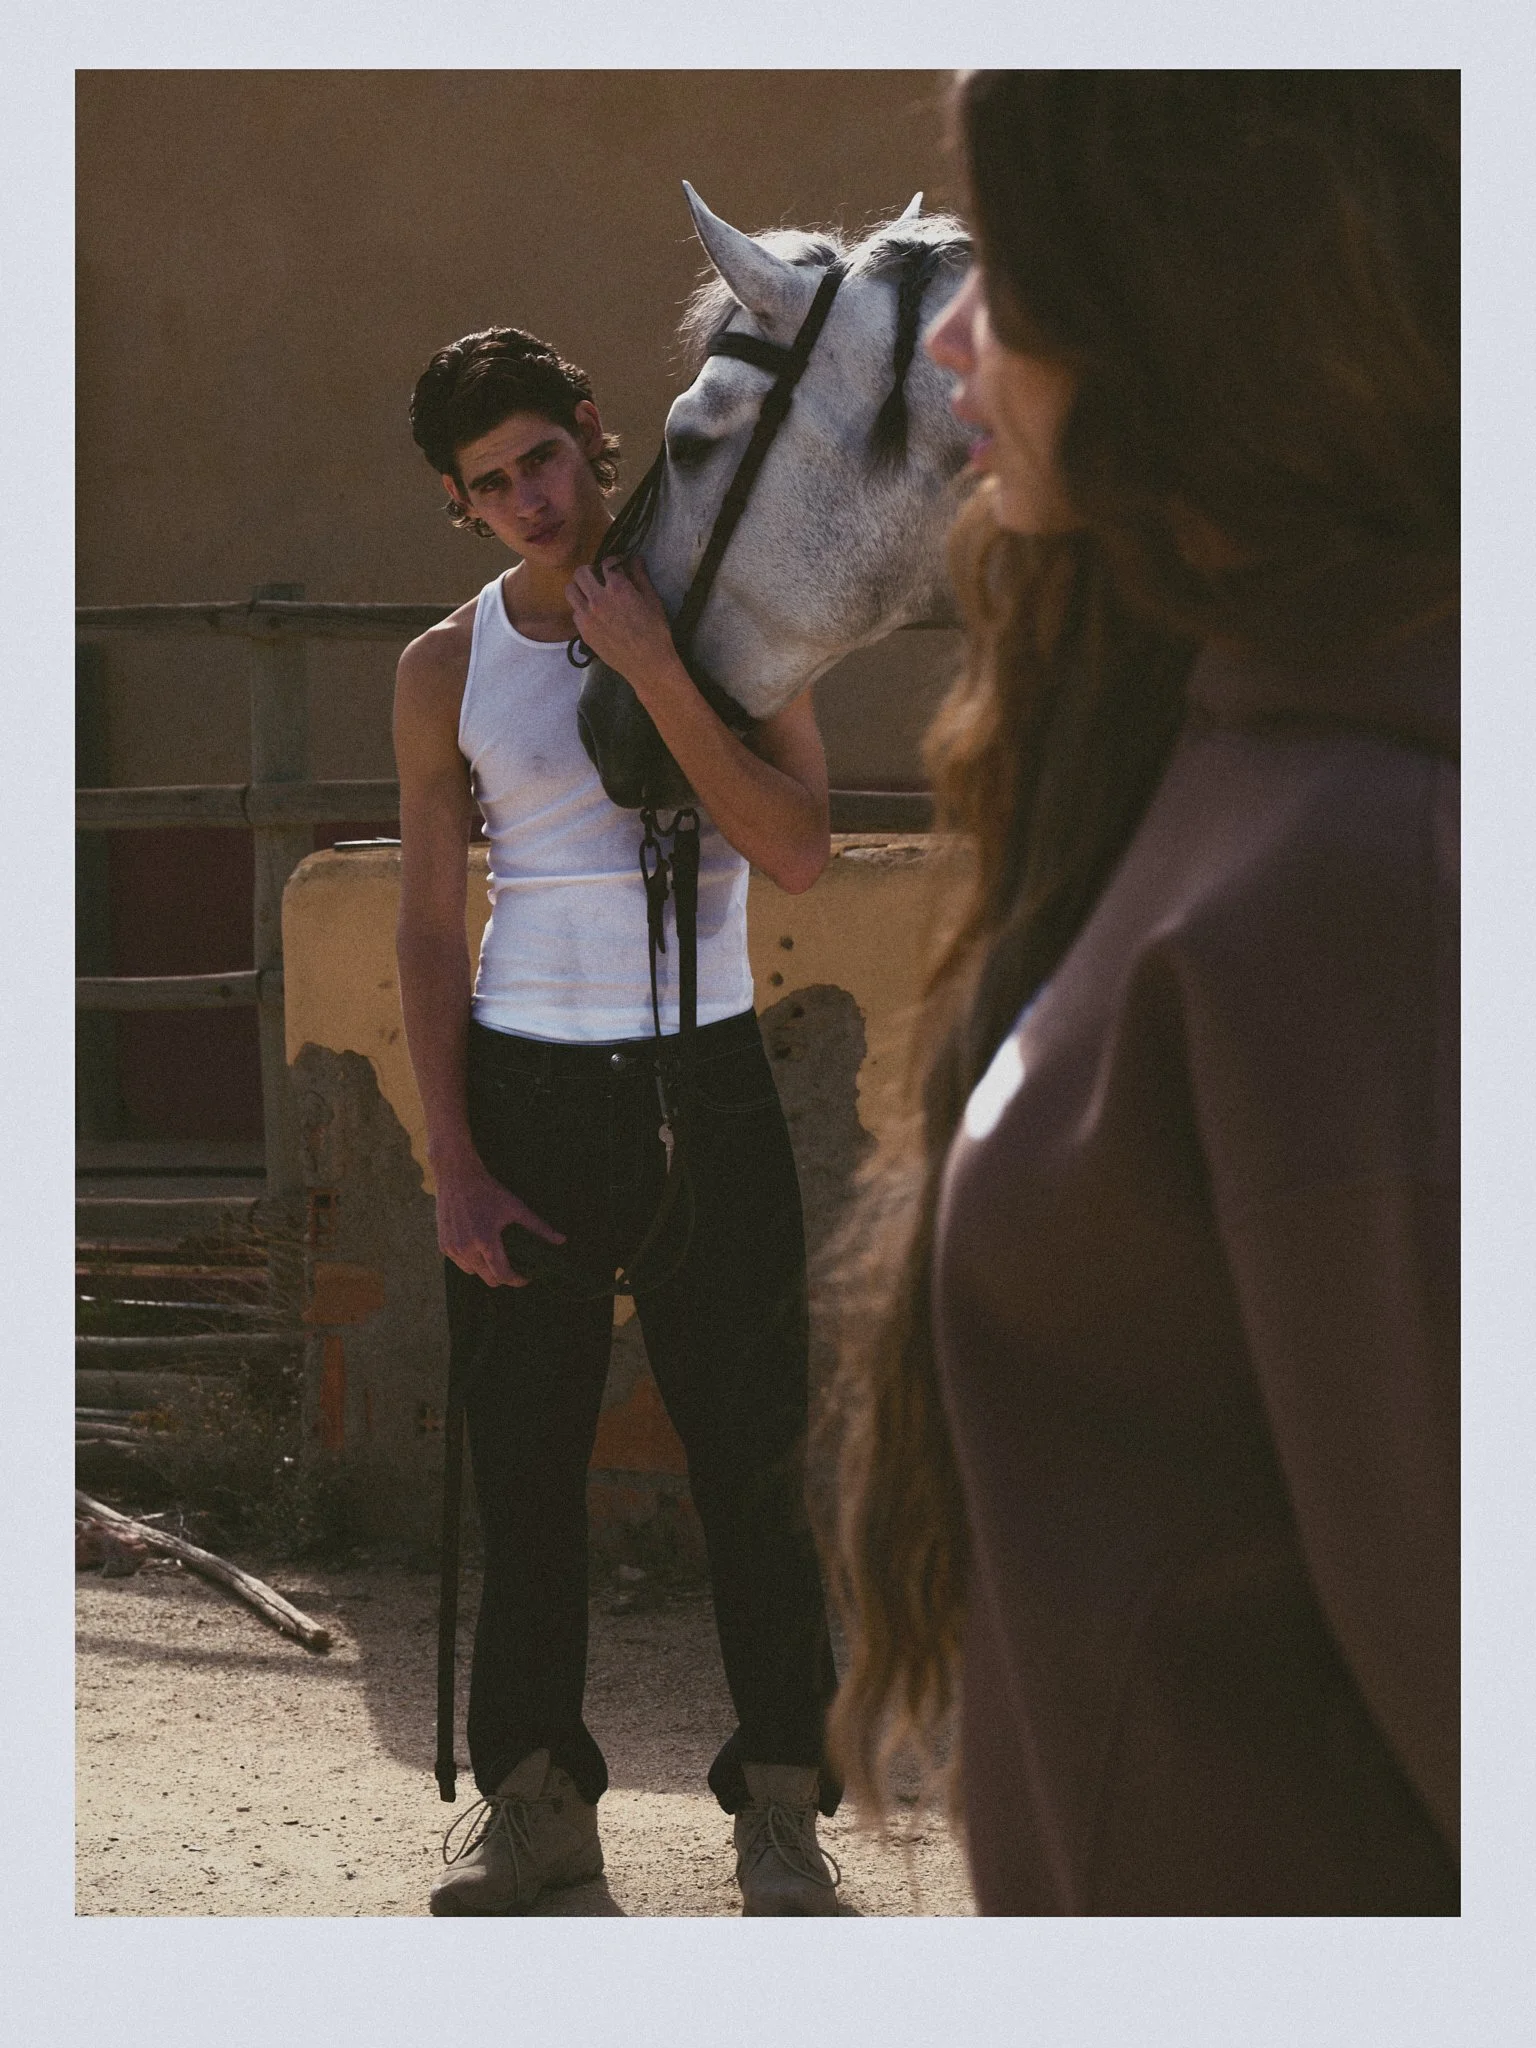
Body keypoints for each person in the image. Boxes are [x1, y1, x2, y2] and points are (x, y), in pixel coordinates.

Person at [825, 70, 1459, 1915]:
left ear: (1187, 294)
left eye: (1010, 275)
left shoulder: (1379, 883)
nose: (952, 338)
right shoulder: (1229, 734)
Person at [394, 326, 842, 1915]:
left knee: (754, 1473)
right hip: (525, 1096)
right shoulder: (443, 666)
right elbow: (434, 928)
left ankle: (782, 1815)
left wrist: (657, 670)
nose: (529, 495)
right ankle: (535, 1814)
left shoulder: (727, 618)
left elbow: (796, 850)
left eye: (543, 457)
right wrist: (452, 1156)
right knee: (524, 1472)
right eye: (490, 481)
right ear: (460, 504)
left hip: (705, 1084)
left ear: (594, 435)